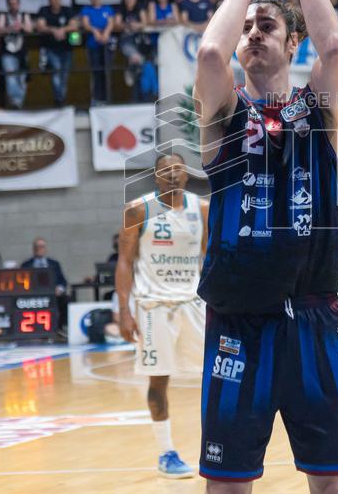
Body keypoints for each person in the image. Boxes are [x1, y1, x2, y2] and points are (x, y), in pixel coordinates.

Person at [193, 0, 338, 490]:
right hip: (240, 320)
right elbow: (210, 52)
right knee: (229, 484)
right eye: (248, 28)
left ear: (292, 46)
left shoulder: (319, 113)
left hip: (313, 314)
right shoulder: (224, 116)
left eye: (269, 26)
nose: (254, 33)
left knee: (334, 482)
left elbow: (334, 47)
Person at [115, 153, 209, 479]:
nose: (171, 174)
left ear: (186, 175)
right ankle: (166, 452)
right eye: (165, 170)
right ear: (155, 177)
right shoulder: (137, 209)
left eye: (177, 169)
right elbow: (125, 261)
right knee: (159, 381)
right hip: (153, 306)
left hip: (194, 305)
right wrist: (124, 310)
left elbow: (211, 260)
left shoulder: (203, 208)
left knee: (216, 376)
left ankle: (217, 445)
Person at [36, 0, 77, 106]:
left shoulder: (67, 10)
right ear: (49, 0)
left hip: (66, 48)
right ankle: (59, 100)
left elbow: (74, 25)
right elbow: (40, 26)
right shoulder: (44, 10)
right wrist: (53, 30)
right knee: (56, 71)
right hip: (51, 48)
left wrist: (63, 30)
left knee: (64, 75)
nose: (55, 0)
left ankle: (60, 98)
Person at [0, 0, 34, 109]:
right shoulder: (3, 16)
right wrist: (9, 28)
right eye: (11, 4)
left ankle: (19, 104)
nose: (13, 6)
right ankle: (16, 101)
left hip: (22, 52)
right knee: (11, 77)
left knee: (22, 80)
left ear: (19, 4)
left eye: (15, 3)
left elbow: (30, 29)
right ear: (8, 5)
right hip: (8, 52)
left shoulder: (24, 15)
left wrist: (21, 26)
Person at [80, 0, 116, 106]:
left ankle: (107, 98)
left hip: (106, 45)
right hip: (93, 45)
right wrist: (95, 31)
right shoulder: (86, 9)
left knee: (106, 71)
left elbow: (111, 23)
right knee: (96, 72)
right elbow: (86, 24)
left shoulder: (107, 9)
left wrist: (105, 33)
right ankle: (96, 98)